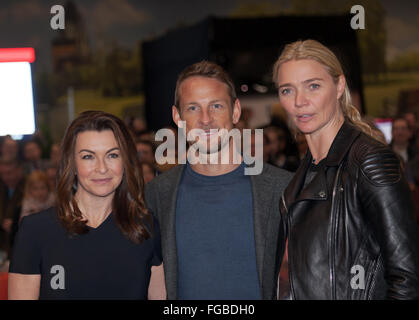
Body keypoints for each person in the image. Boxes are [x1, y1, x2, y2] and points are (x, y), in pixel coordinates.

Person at [273, 39, 419, 299]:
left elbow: (406, 280)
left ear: (339, 86)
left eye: (313, 86)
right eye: (287, 90)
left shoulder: (370, 161)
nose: (299, 101)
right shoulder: (300, 176)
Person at [145, 61, 293, 300]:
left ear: (235, 111)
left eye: (216, 106)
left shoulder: (282, 188)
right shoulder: (156, 194)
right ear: (178, 117)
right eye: (193, 108)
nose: (206, 119)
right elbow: (155, 278)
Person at [8, 111, 165, 300]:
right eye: (88, 157)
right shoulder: (35, 231)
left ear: (125, 162)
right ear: (72, 163)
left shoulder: (146, 228)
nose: (101, 168)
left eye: (112, 155)